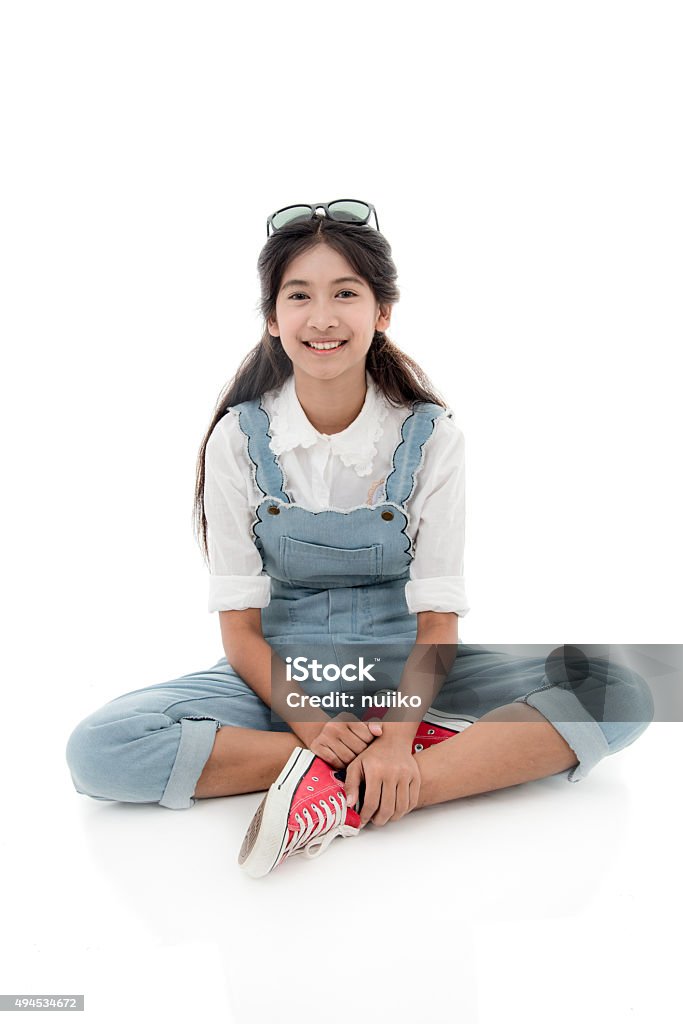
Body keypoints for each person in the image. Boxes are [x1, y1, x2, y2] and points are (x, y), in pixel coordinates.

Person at [65, 198, 654, 879]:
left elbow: (436, 623)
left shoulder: (431, 436)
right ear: (272, 318)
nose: (322, 317)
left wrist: (397, 738)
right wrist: (313, 725)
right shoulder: (238, 439)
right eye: (299, 295)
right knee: (100, 748)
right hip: (283, 678)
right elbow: (241, 632)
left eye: (345, 293)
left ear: (380, 313)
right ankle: (367, 762)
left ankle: (376, 785)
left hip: (410, 673)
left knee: (619, 691)